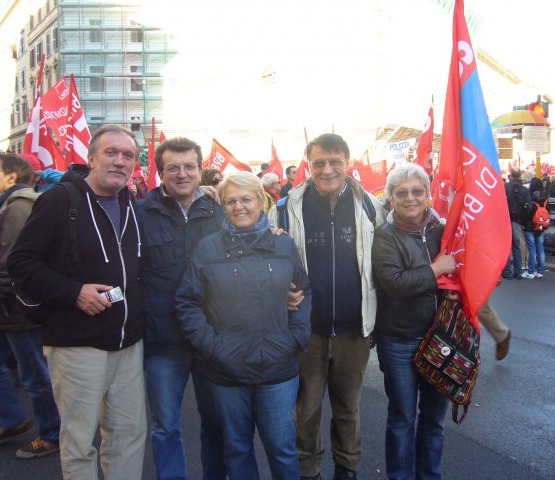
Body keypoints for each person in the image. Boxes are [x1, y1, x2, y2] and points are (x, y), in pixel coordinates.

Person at [7, 124, 146, 479]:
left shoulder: (133, 203)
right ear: (91, 158)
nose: (119, 161)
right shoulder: (59, 200)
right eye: (110, 153)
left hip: (128, 345)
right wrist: (74, 292)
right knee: (79, 442)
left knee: (129, 437)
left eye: (127, 155)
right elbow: (21, 264)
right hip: (76, 346)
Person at [176, 171, 312, 479]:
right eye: (230, 201)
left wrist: (295, 338)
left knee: (282, 449)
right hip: (226, 370)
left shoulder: (283, 245)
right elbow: (187, 303)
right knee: (236, 450)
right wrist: (213, 347)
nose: (239, 206)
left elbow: (305, 292)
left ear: (262, 201)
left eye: (246, 199)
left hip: (278, 368)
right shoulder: (207, 248)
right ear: (223, 205)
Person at [268, 133, 386, 480]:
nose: (327, 169)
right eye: (319, 162)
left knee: (348, 408)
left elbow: (386, 256)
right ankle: (309, 471)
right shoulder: (284, 210)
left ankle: (347, 468)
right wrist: (279, 294)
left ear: (347, 163)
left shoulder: (369, 206)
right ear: (309, 164)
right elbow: (267, 266)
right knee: (305, 410)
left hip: (353, 329)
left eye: (335, 161)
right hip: (307, 331)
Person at [137, 137, 227, 480]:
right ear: (160, 172)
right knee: (165, 427)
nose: (182, 173)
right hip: (164, 343)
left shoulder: (218, 213)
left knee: (215, 424)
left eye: (189, 166)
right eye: (173, 167)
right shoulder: (141, 214)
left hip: (211, 340)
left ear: (200, 170)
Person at [0, 154, 60, 459]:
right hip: (5, 311)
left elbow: (12, 263)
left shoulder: (19, 207)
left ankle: (53, 433)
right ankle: (12, 420)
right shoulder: (7, 205)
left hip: (17, 309)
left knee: (36, 376)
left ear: (10, 178)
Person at [372, 163, 457, 480]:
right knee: (402, 418)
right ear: (391, 197)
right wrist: (437, 270)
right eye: (402, 192)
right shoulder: (384, 235)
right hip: (400, 341)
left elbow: (468, 266)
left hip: (442, 340)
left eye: (417, 191)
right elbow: (395, 285)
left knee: (434, 422)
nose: (410, 198)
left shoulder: (444, 230)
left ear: (428, 194)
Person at [0, 153, 64, 225]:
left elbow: (73, 180)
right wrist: (2, 217)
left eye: (31, 175)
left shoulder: (43, 189)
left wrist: (45, 173)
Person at [503, 168, 532, 279]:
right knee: (517, 246)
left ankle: (507, 272)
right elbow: (529, 207)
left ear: (510, 175)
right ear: (520, 175)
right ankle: (518, 271)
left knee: (506, 247)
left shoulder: (504, 187)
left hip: (505, 220)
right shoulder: (524, 190)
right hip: (517, 221)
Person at [523, 177, 548, 279]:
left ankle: (531, 272)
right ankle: (540, 271)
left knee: (532, 249)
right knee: (540, 248)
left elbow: (528, 211)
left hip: (530, 226)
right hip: (542, 225)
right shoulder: (545, 197)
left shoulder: (530, 195)